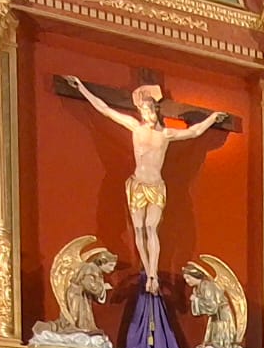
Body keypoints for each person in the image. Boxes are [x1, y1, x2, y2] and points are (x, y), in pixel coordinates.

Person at [66, 76, 227, 290]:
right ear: (140, 112)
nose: (147, 114)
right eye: (143, 110)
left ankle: (154, 275)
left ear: (156, 110)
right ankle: (147, 270)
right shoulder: (135, 127)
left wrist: (212, 118)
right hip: (137, 184)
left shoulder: (166, 134)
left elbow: (194, 132)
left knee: (152, 227)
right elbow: (104, 109)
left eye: (150, 110)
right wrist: (82, 88)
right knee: (139, 229)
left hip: (156, 186)